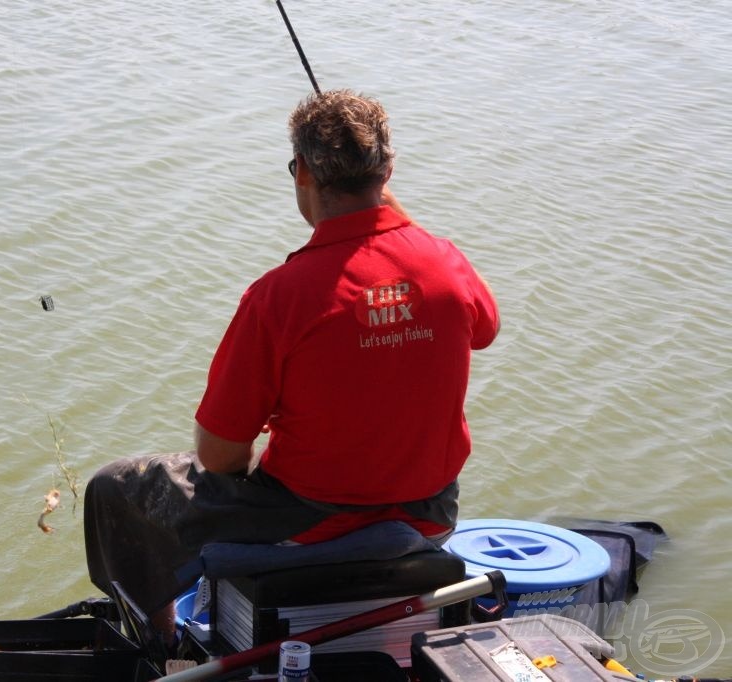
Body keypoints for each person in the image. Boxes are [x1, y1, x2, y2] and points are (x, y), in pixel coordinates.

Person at [83, 89, 499, 649]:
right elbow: (486, 329)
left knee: (115, 487)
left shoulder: (279, 297)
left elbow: (218, 455)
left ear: (301, 171)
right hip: (432, 508)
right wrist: (396, 224)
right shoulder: (447, 265)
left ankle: (162, 645)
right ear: (389, 170)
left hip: (311, 518)